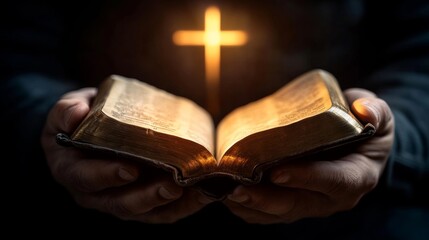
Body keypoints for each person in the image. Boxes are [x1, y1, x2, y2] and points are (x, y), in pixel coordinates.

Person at [5, 0, 428, 238]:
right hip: (88, 211)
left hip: (353, 219)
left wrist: (394, 140)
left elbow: (420, 54)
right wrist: (49, 125)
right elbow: (16, 52)